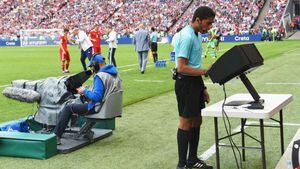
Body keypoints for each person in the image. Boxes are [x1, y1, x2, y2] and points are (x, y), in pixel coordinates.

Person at [174, 6, 215, 169]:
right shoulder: (186, 36)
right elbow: (181, 67)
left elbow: (194, 64)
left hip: (195, 83)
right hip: (185, 83)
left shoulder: (197, 35)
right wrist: (205, 72)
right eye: (208, 23)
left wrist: (203, 87)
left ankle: (192, 160)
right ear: (198, 19)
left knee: (197, 120)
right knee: (185, 121)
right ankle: (182, 164)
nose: (210, 26)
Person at [54, 54, 122, 144]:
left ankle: (56, 136)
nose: (92, 68)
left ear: (99, 63)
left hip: (97, 107)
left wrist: (84, 91)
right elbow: (106, 89)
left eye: (93, 65)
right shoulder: (115, 73)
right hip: (109, 107)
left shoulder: (99, 76)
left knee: (68, 108)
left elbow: (97, 97)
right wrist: (87, 90)